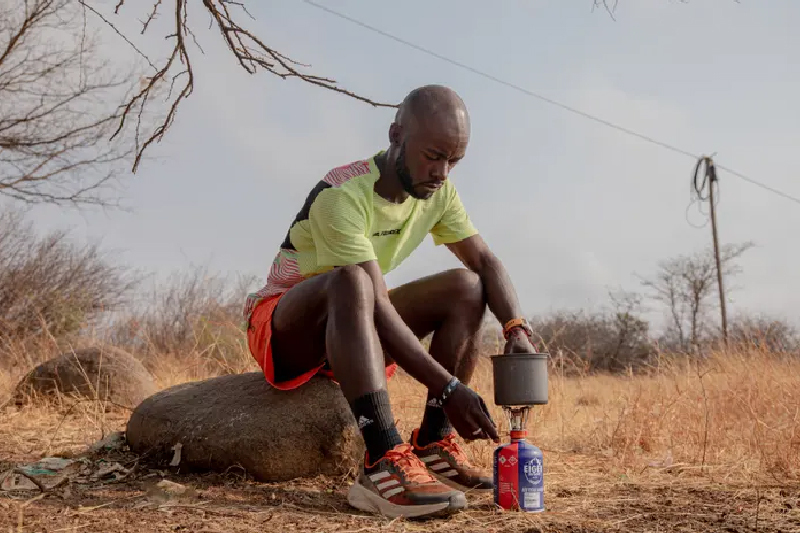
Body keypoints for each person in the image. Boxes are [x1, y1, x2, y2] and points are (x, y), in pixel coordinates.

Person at [243, 84, 535, 518]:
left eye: (454, 160)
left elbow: (486, 260)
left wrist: (517, 329)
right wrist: (449, 386)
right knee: (352, 280)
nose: (442, 172)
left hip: (353, 327)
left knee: (466, 286)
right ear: (396, 135)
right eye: (433, 155)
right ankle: (381, 461)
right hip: (288, 330)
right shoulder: (341, 194)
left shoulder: (439, 193)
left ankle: (434, 443)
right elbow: (374, 301)